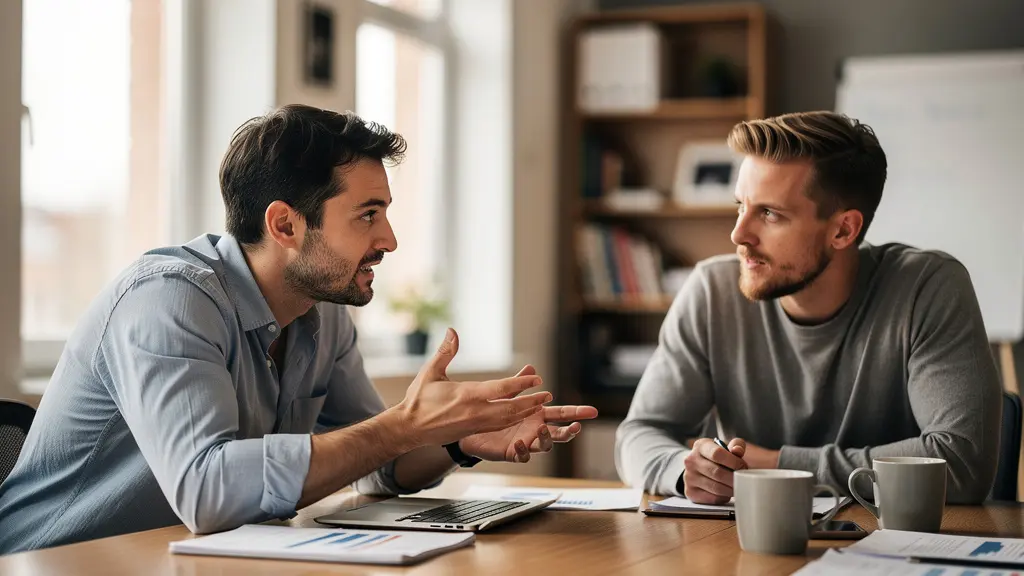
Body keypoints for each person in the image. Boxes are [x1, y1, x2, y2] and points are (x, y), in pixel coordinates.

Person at [0, 104, 598, 554]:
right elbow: (208, 492)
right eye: (367, 215)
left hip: (187, 560)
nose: (389, 240)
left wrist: (455, 438)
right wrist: (402, 426)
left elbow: (377, 463)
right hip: (53, 562)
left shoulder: (322, 312)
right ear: (285, 225)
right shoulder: (168, 300)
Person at [615, 110, 1001, 506]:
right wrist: (686, 471)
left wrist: (775, 466)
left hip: (887, 538)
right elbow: (639, 433)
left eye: (769, 213)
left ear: (843, 230)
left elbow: (962, 462)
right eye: (740, 205)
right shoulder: (712, 292)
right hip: (747, 537)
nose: (738, 234)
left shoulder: (927, 288)